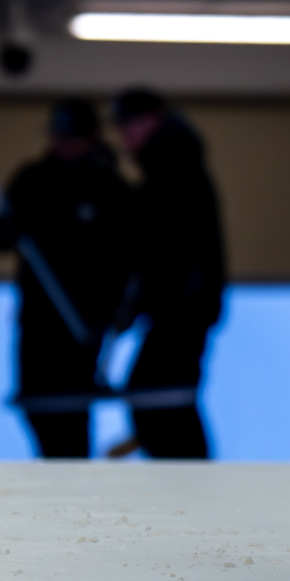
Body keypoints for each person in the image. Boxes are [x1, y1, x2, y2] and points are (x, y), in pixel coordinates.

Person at [0, 98, 134, 459]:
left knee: (72, 414)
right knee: (39, 407)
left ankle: (77, 499)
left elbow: (131, 258)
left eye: (70, 136)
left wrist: (115, 313)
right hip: (38, 318)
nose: (61, 143)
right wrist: (11, 226)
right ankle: (52, 491)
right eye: (57, 135)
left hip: (84, 324)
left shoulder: (112, 189)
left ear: (91, 138)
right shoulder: (32, 180)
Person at [109, 88, 226, 460]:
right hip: (181, 307)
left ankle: (193, 493)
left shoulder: (172, 170)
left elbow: (165, 251)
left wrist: (139, 303)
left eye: (130, 127)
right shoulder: (170, 167)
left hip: (181, 308)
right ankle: (188, 490)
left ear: (153, 120)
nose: (125, 139)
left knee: (157, 398)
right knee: (158, 399)